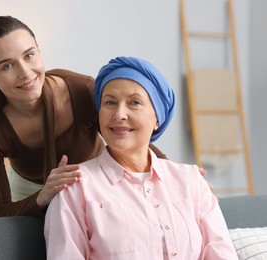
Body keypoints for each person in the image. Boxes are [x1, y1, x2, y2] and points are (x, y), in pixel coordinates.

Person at [0, 15, 203, 218]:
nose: (25, 73)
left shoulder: (81, 90)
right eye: (6, 66)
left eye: (29, 56)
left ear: (39, 49)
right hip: (31, 193)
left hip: (94, 180)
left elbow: (130, 137)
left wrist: (177, 176)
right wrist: (43, 196)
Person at [44, 56, 237, 259]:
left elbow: (221, 253)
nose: (119, 114)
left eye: (134, 102)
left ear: (157, 119)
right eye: (109, 102)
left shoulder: (192, 181)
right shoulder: (75, 187)